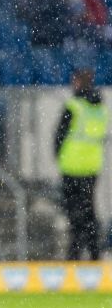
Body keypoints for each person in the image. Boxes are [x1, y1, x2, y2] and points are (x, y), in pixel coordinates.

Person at [54, 69, 108, 260]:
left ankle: (74, 256)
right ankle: (94, 254)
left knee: (74, 214)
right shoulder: (101, 108)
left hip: (71, 166)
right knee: (89, 212)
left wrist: (58, 156)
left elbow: (59, 136)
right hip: (92, 167)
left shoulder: (74, 106)